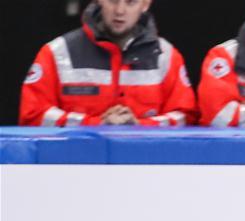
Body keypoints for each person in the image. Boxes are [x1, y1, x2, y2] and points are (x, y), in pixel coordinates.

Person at [19, 0, 196, 127]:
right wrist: (97, 124)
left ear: (145, 4)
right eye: (112, 0)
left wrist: (139, 126)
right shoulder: (56, 53)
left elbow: (186, 119)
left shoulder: (167, 56)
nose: (119, 10)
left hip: (144, 171)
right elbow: (32, 116)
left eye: (130, 2)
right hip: (73, 169)